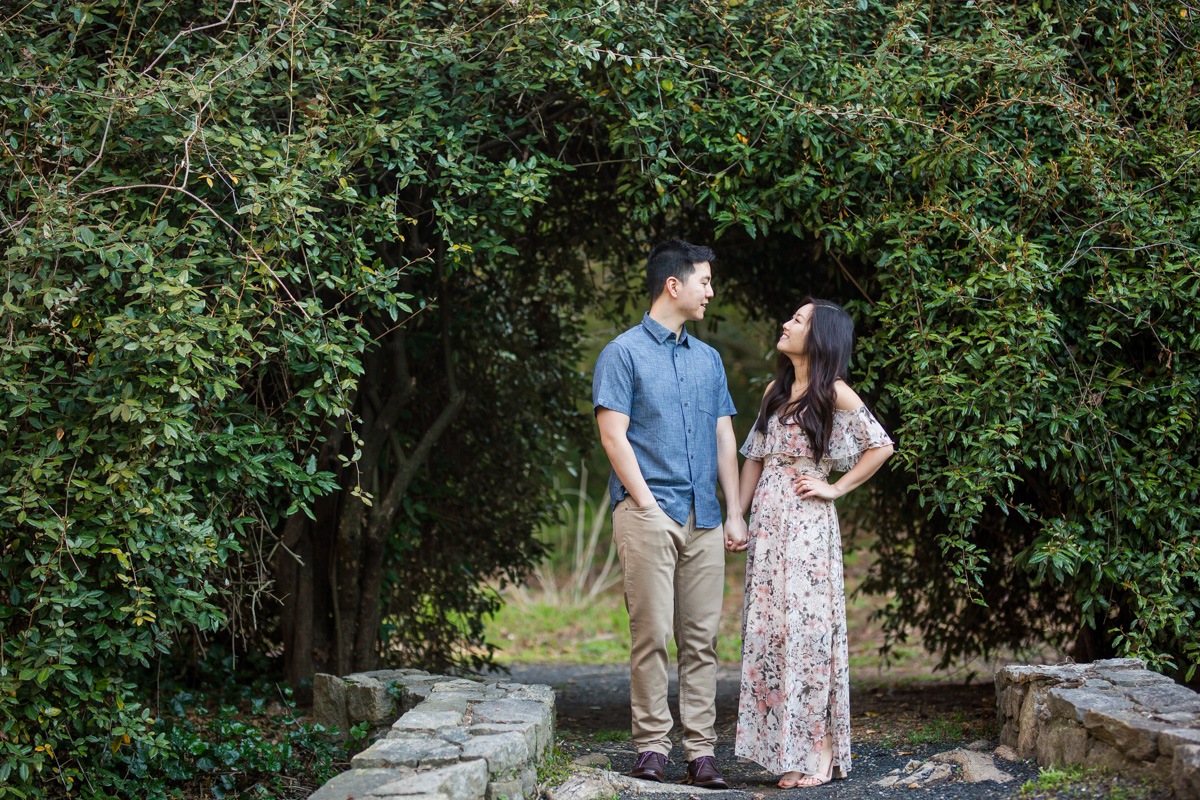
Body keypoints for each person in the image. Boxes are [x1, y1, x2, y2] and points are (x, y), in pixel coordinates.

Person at [592, 239, 748, 789]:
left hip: (705, 517)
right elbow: (613, 436)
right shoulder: (623, 352)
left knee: (701, 641)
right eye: (704, 281)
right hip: (646, 513)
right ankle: (652, 746)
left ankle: (701, 752)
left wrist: (734, 513)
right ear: (673, 285)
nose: (711, 291)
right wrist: (648, 506)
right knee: (652, 634)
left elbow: (724, 437)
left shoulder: (708, 359)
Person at [734, 299, 894, 788]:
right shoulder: (775, 391)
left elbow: (881, 445)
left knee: (808, 633)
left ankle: (820, 745)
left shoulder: (835, 393)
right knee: (769, 633)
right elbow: (755, 458)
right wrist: (735, 516)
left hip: (807, 527)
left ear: (820, 336)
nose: (785, 324)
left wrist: (835, 487)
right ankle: (786, 747)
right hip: (766, 524)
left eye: (798, 321)